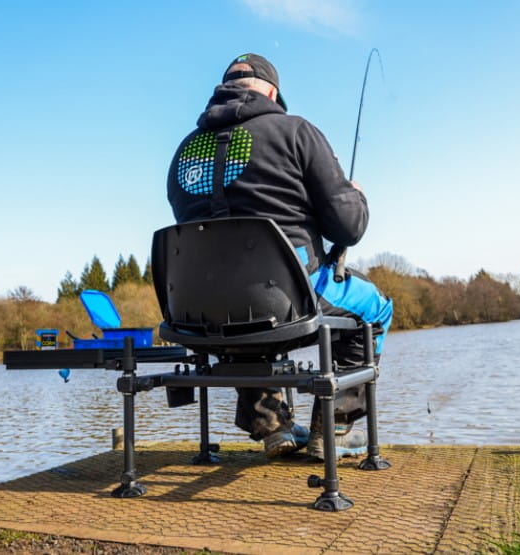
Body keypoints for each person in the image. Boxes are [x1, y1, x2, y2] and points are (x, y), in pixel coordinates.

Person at [167, 53, 393, 460]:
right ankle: (335, 429)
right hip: (288, 297)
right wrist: (355, 196)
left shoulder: (184, 151)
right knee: (375, 309)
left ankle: (273, 427)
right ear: (272, 92)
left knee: (238, 306)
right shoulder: (296, 132)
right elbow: (348, 228)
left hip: (198, 312)